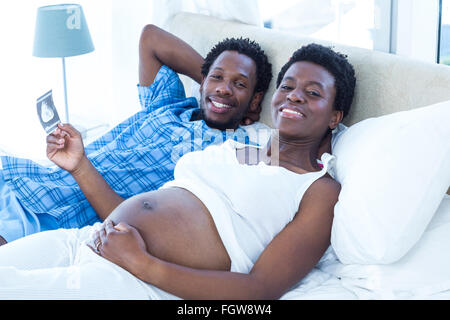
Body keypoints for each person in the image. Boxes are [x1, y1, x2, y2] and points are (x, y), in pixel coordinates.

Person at [0, 43, 356, 299]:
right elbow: (153, 209)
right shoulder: (244, 150)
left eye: (312, 93)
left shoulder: (319, 189)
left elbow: (259, 290)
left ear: (335, 116)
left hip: (138, 279)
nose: (293, 96)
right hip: (91, 238)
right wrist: (79, 164)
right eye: (288, 86)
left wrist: (143, 264)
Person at [0, 24, 273, 246]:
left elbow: (292, 156)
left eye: (239, 84)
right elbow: (150, 37)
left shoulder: (231, 149)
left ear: (255, 100)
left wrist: (220, 88)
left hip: (46, 214)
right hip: (20, 180)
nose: (225, 89)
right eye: (217, 77)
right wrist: (212, 85)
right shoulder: (169, 103)